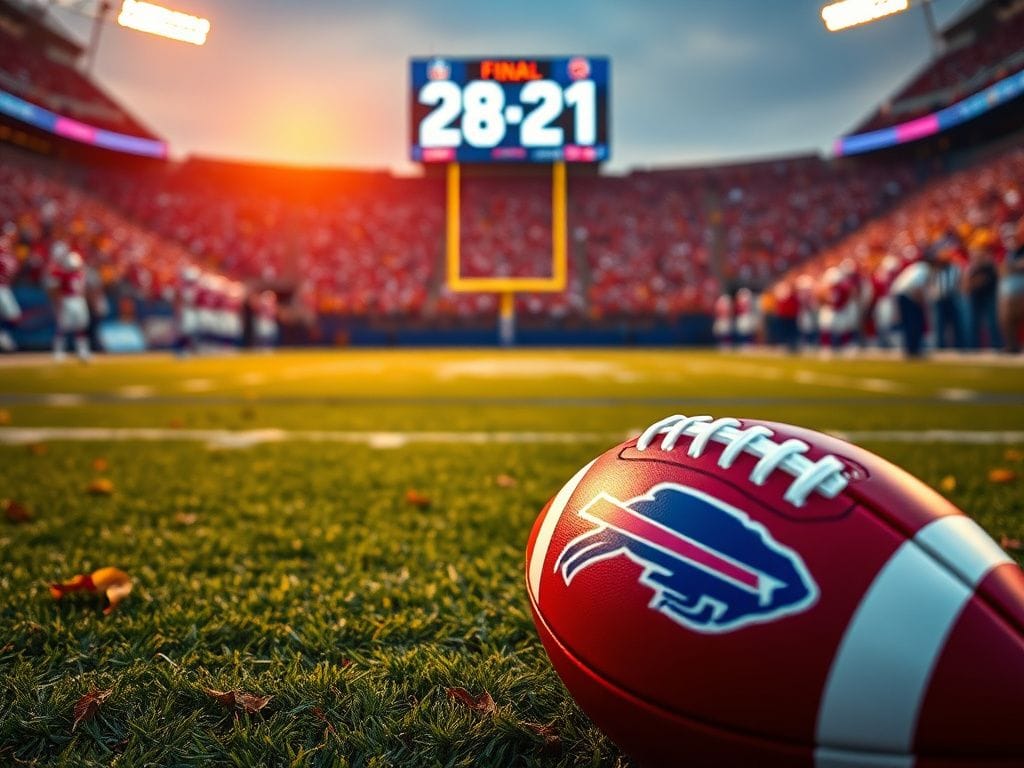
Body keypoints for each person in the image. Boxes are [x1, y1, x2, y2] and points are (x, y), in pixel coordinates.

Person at [46, 250, 91, 362]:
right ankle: (58, 352)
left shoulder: (81, 273)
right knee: (63, 326)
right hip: (67, 300)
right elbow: (54, 288)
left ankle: (82, 352)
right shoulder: (63, 274)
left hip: (79, 300)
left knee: (81, 326)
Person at [890, 254, 933, 358]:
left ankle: (911, 349)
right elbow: (917, 288)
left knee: (909, 323)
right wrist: (922, 304)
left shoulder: (916, 267)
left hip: (902, 294)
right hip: (907, 295)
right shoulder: (924, 268)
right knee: (914, 322)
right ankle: (914, 349)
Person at [963, 237, 1002, 349]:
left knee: (992, 321)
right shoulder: (971, 268)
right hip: (975, 297)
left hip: (989, 295)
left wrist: (974, 283)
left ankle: (996, 345)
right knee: (973, 322)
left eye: (977, 253)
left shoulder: (990, 265)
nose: (975, 256)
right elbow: (966, 285)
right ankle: (973, 347)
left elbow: (987, 280)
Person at [999, 239, 1024, 354]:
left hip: (1019, 291)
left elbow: (1019, 266)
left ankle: (1015, 346)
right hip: (1007, 292)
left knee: (1017, 318)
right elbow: (1002, 269)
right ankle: (1011, 346)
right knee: (1006, 320)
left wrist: (1011, 267)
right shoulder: (1007, 254)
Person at [0, 240, 21, 352]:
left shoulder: (7, 258)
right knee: (14, 316)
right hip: (3, 289)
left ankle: (3, 334)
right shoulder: (7, 259)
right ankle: (3, 335)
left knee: (12, 316)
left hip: (5, 288)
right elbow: (14, 271)